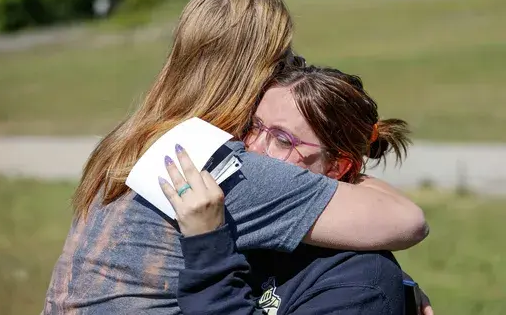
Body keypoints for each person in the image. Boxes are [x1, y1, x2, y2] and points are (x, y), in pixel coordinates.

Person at [43, 0, 427, 314]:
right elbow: (407, 221)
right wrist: (387, 281)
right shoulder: (218, 164)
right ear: (255, 70)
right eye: (286, 59)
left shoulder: (139, 137)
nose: (296, 65)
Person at [168, 65, 431, 314]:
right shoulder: (242, 213)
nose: (253, 148)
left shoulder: (361, 284)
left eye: (282, 140)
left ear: (337, 167)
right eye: (254, 126)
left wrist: (208, 251)